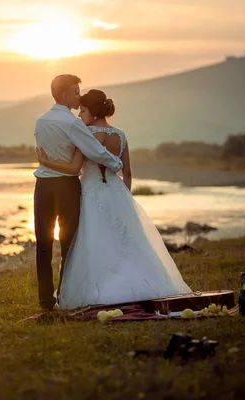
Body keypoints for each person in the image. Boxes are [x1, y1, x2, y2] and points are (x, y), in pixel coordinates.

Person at [37, 88, 192, 309]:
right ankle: (143, 283)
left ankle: (99, 289)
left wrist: (45, 161)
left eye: (82, 111)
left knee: (93, 242)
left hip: (91, 193)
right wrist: (125, 198)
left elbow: (74, 167)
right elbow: (127, 172)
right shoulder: (120, 135)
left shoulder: (86, 134)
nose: (80, 116)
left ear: (92, 111)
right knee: (126, 243)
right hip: (117, 192)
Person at [33, 75, 123, 311]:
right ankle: (64, 295)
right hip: (66, 186)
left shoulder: (40, 121)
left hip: (42, 186)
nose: (79, 96)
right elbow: (95, 151)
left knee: (42, 242)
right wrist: (116, 164)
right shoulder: (73, 124)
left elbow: (43, 153)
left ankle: (45, 301)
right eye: (75, 92)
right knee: (68, 244)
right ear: (64, 96)